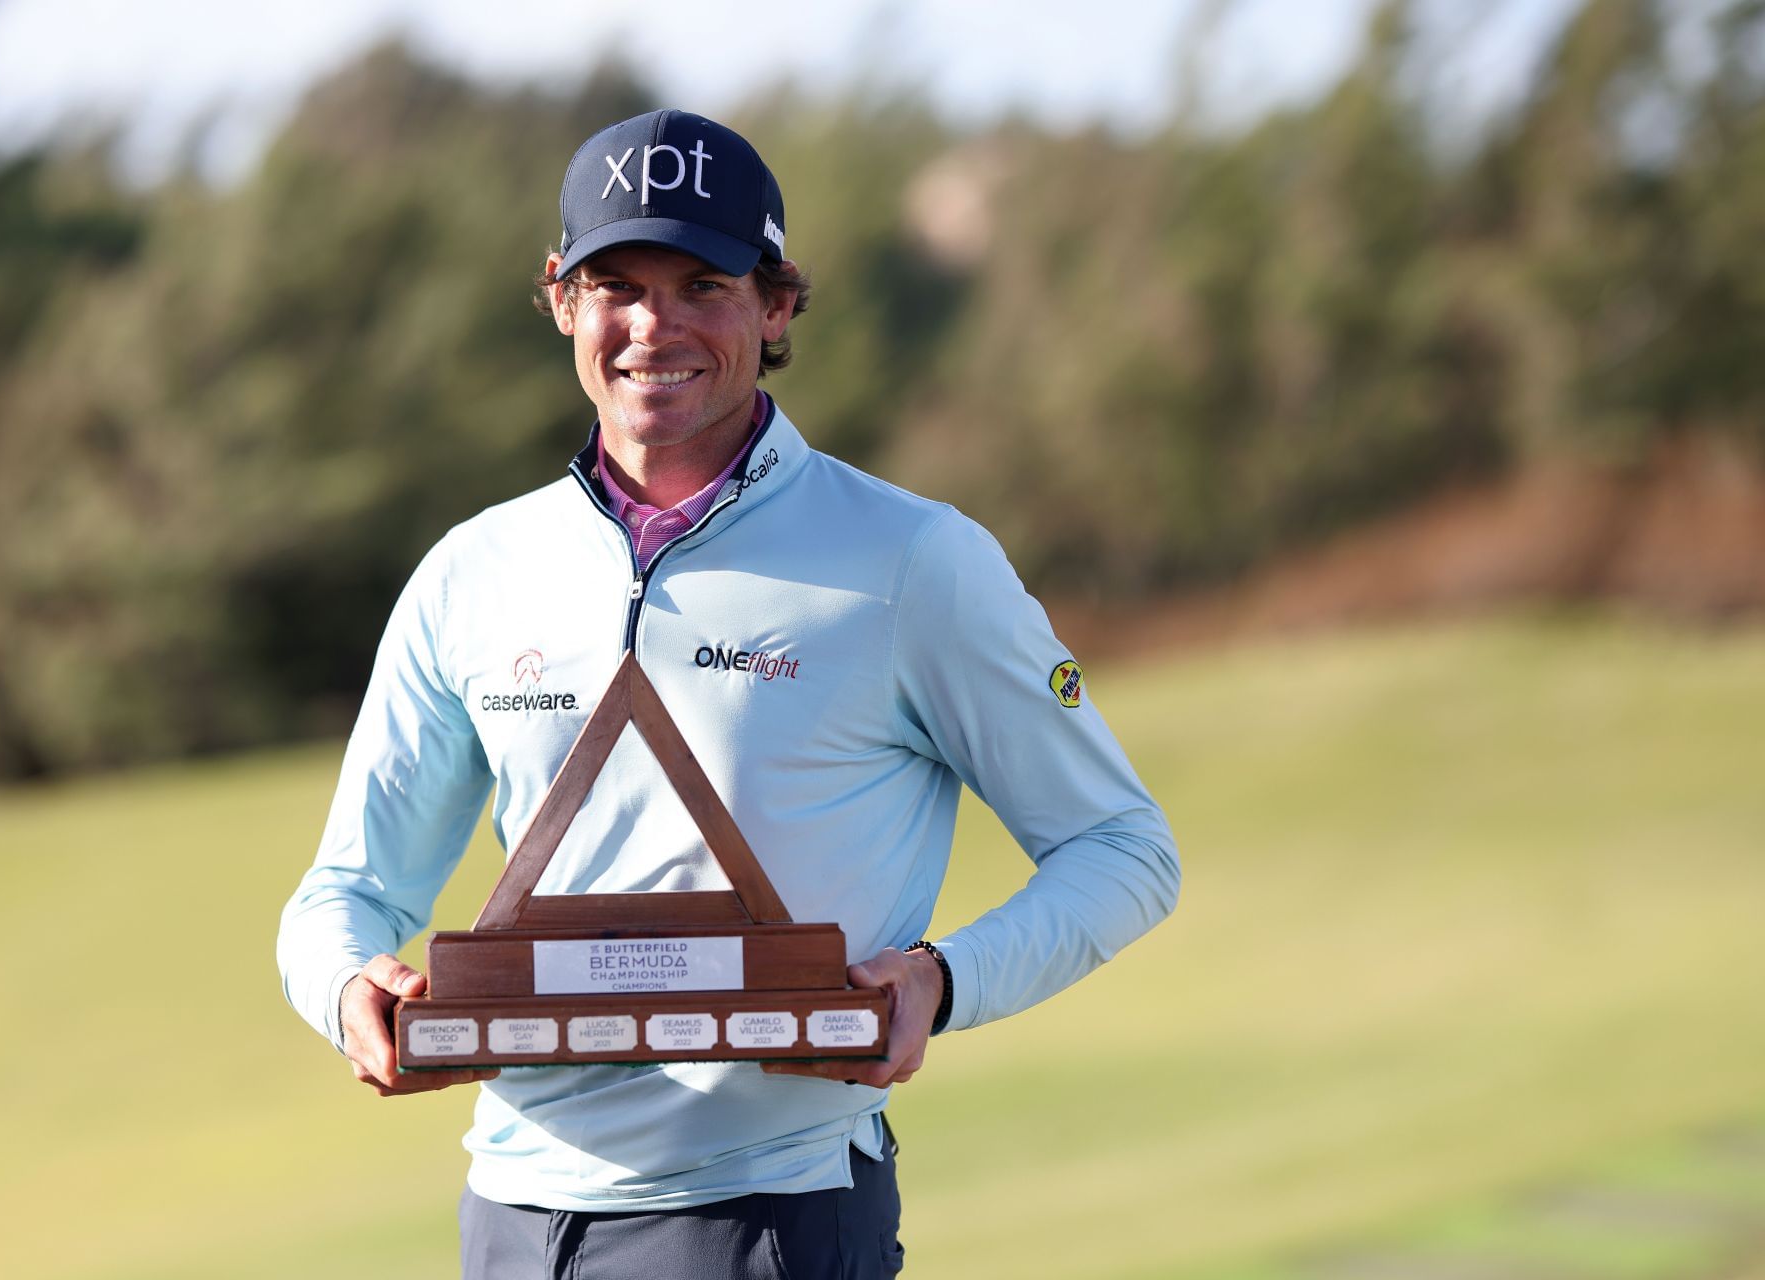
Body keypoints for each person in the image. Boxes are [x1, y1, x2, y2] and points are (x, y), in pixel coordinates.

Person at [277, 108, 1180, 1279]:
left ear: (776, 305)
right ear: (561, 299)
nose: (654, 326)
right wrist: (349, 987)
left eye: (702, 284)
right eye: (616, 285)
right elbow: (344, 893)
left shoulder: (915, 560)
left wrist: (942, 978)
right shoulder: (472, 572)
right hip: (510, 1214)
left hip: (772, 1213)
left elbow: (1122, 847)